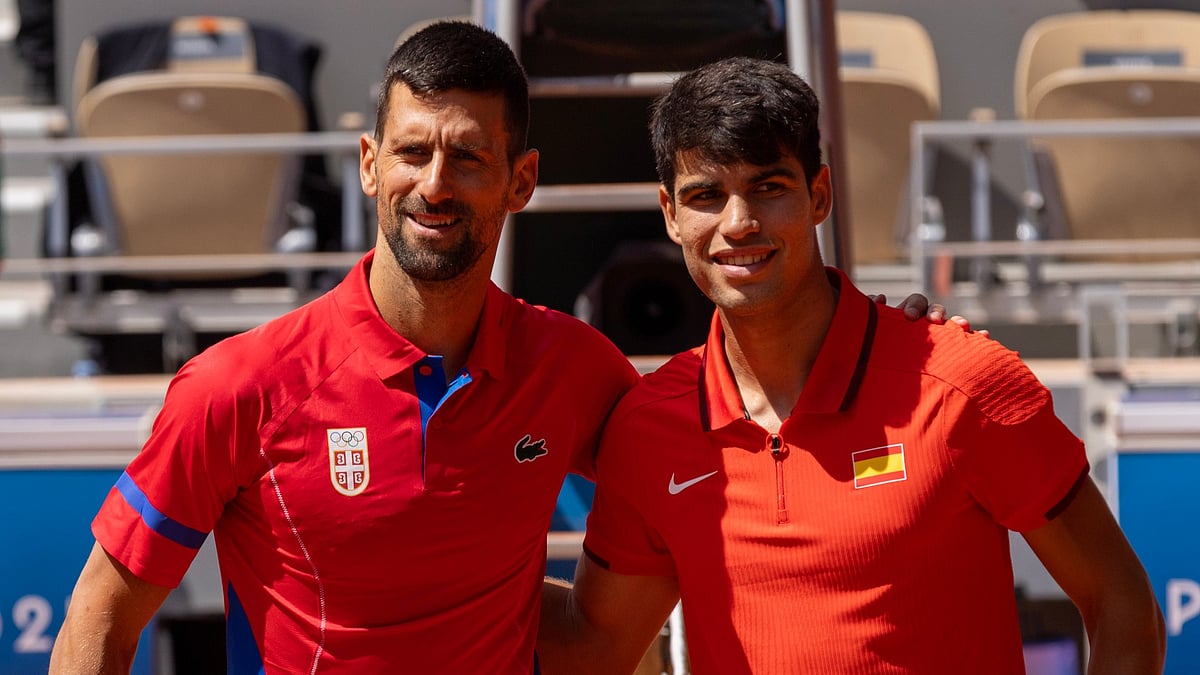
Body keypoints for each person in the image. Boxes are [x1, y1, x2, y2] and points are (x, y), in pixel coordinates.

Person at [49, 22, 948, 674]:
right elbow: (101, 616)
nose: (434, 185)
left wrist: (887, 346)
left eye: (470, 159)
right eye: (412, 153)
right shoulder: (238, 386)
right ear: (369, 164)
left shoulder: (572, 368)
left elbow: (731, 431)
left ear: (521, 180)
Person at [537, 57, 1166, 675]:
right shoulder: (651, 427)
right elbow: (593, 647)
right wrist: (443, 539)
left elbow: (1123, 608)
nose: (739, 223)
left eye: (768, 187)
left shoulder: (964, 383)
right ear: (671, 215)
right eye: (706, 195)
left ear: (819, 194)